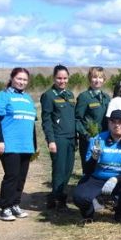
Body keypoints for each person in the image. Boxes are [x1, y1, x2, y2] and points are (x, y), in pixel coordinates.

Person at [73, 109, 121, 222]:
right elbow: (88, 170)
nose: (117, 125)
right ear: (108, 123)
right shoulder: (97, 140)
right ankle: (89, 214)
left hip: (119, 180)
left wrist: (115, 179)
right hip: (97, 178)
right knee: (79, 196)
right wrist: (94, 158)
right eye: (113, 122)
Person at [0, 68, 37, 221]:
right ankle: (5, 207)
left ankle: (15, 204)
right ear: (11, 78)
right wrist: (0, 141)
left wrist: (34, 145)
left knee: (21, 177)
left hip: (26, 145)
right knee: (12, 176)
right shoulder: (2, 96)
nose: (22, 82)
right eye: (19, 78)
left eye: (25, 80)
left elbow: (31, 124)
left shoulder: (29, 99)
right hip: (9, 144)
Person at [40, 64, 76, 212]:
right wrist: (51, 140)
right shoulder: (49, 96)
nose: (62, 81)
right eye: (59, 78)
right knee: (59, 170)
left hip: (71, 138)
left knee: (68, 170)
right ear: (54, 78)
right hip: (58, 138)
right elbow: (46, 120)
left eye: (65, 78)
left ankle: (57, 196)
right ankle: (57, 200)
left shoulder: (70, 95)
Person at [75, 66, 110, 175]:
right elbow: (77, 119)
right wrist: (86, 135)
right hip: (88, 139)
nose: (97, 80)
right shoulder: (84, 97)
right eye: (94, 77)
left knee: (102, 165)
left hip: (103, 138)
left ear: (104, 80)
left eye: (100, 77)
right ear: (90, 78)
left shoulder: (106, 97)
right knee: (89, 167)